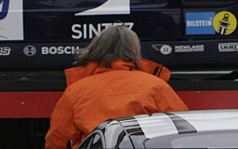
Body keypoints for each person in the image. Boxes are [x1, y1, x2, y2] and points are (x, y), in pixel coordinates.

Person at [44, 26, 187, 149]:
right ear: (134, 51)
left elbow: (57, 140)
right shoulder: (156, 87)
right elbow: (184, 133)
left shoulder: (76, 91)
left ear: (96, 49)